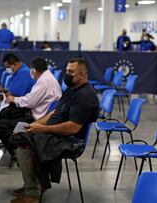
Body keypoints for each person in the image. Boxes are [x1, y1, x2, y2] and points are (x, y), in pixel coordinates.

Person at [10, 58, 99, 203]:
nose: (67, 74)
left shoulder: (85, 97)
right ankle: (33, 184)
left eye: (71, 72)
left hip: (70, 139)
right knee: (20, 136)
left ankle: (32, 193)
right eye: (67, 71)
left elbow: (72, 127)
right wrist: (33, 125)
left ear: (82, 75)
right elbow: (54, 113)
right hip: (55, 131)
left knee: (24, 148)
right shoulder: (72, 90)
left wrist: (43, 129)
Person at [0, 53, 38, 157]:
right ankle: (11, 145)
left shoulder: (24, 73)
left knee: (0, 123)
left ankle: (15, 152)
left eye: (8, 67)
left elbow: (14, 94)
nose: (8, 69)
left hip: (28, 112)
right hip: (24, 108)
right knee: (0, 116)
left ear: (16, 64)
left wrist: (8, 93)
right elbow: (12, 92)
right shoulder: (21, 71)